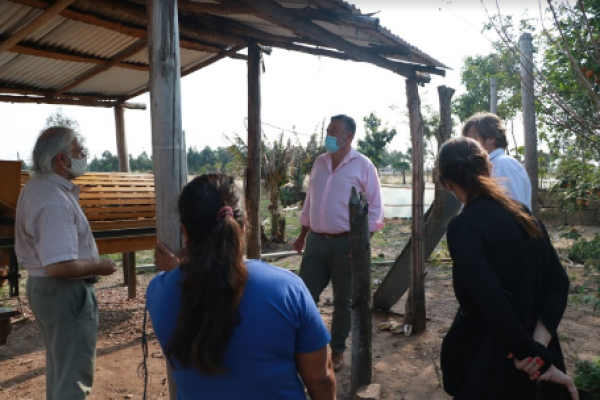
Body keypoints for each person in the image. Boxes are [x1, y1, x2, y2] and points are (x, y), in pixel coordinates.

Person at [146, 174, 336, 400]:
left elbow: (207, 285)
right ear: (244, 225)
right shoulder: (288, 289)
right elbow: (319, 378)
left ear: (185, 232)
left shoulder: (158, 292)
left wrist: (177, 268)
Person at [438, 137, 578, 400]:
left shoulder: (463, 227)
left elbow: (491, 301)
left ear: (447, 184)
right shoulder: (524, 214)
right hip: (534, 357)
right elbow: (558, 282)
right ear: (488, 169)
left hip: (487, 360)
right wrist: (538, 348)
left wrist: (533, 356)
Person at [15, 127, 117, 399]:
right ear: (62, 159)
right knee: (73, 375)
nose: (83, 154)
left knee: (62, 369)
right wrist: (100, 266)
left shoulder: (39, 186)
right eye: (78, 150)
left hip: (49, 292)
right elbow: (58, 266)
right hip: (63, 292)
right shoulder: (53, 200)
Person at [293, 114, 384, 371]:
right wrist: (302, 234)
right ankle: (306, 345)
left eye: (334, 131)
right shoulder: (320, 163)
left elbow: (376, 209)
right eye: (328, 130)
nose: (329, 136)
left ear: (348, 137)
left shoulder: (363, 166)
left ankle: (337, 350)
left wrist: (361, 246)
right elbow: (310, 201)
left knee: (343, 299)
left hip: (346, 243)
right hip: (316, 242)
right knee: (305, 295)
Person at [463, 112, 533, 210]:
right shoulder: (487, 166)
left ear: (491, 138)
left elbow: (514, 214)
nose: (468, 145)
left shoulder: (504, 165)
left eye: (473, 139)